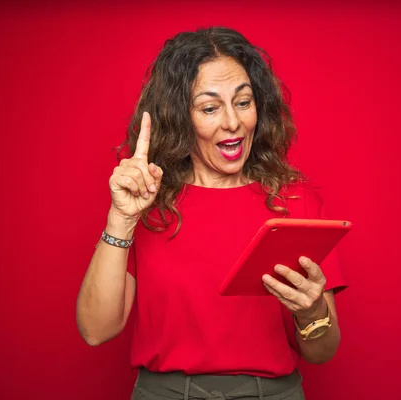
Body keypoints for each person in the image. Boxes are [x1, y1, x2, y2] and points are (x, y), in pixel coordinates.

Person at [76, 26, 348, 400]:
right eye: (209, 107)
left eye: (243, 102)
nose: (232, 123)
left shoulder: (296, 202)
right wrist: (120, 219)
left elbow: (321, 353)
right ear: (179, 116)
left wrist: (312, 309)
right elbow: (95, 330)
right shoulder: (147, 201)